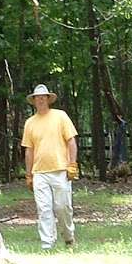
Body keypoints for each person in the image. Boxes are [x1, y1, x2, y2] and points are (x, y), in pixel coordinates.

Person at [21, 84, 79, 250]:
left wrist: (72, 164)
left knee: (63, 207)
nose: (40, 100)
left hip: (61, 169)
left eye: (43, 97)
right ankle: (47, 243)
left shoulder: (60, 116)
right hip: (39, 172)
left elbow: (71, 141)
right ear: (33, 101)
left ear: (48, 99)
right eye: (37, 97)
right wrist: (29, 174)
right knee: (44, 209)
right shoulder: (30, 123)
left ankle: (69, 237)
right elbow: (29, 150)